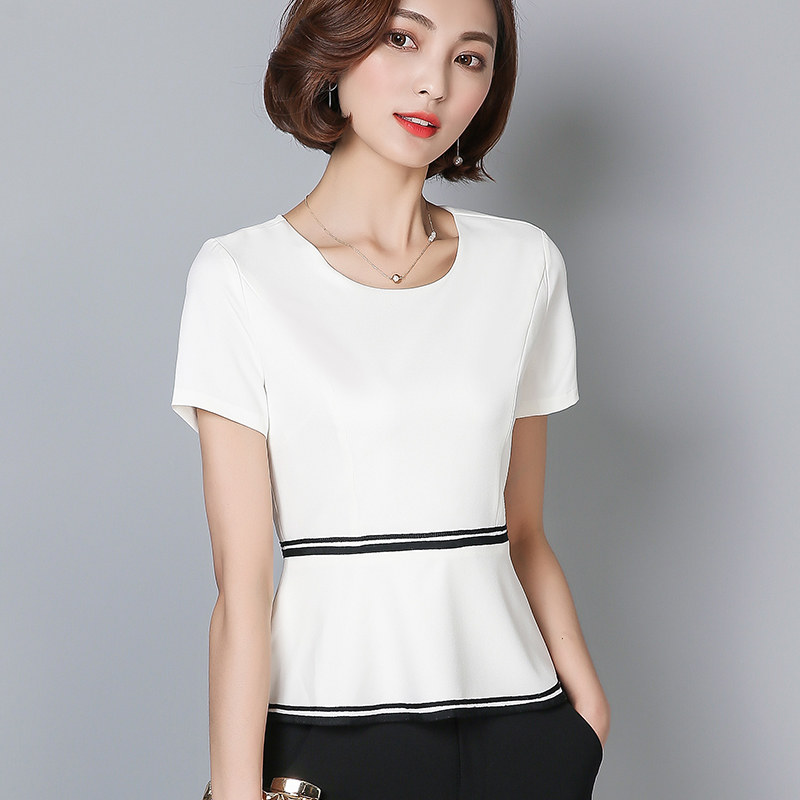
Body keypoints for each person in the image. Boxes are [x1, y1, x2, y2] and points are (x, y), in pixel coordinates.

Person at [170, 0, 611, 798]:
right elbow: (243, 585)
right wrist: (234, 790)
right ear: (335, 48)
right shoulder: (239, 278)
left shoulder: (524, 267)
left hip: (521, 732)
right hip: (330, 732)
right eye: (403, 39)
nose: (434, 83)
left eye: (469, 58)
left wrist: (586, 713)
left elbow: (523, 531)